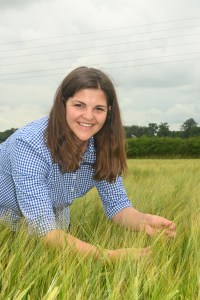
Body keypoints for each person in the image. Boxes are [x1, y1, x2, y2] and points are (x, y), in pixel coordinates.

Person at [0, 66, 176, 262]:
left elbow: (117, 206)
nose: (89, 116)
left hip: (53, 223)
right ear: (63, 104)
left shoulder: (104, 146)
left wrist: (144, 221)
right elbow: (43, 229)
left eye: (98, 108)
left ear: (108, 111)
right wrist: (110, 257)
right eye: (79, 105)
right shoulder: (30, 145)